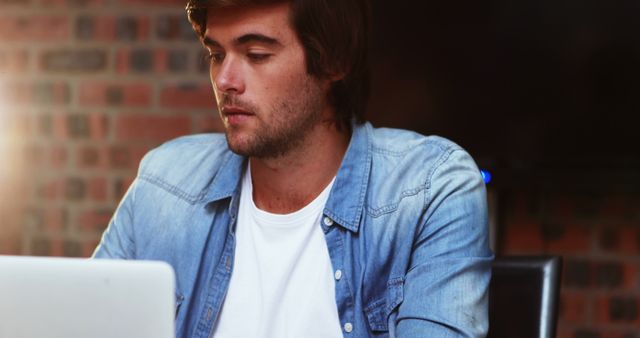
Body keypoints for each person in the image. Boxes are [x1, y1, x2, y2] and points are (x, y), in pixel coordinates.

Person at [93, 0, 493, 337]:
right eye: (216, 55)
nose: (225, 80)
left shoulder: (430, 188)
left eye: (256, 55)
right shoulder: (165, 182)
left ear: (333, 61)